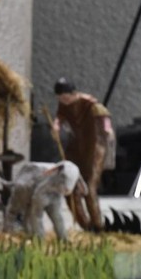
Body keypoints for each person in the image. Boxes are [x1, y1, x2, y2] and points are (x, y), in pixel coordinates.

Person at [52, 77, 114, 232]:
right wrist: (56, 126)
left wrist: (107, 130)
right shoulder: (64, 105)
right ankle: (85, 226)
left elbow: (104, 116)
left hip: (94, 146)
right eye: (60, 98)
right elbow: (60, 117)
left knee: (89, 186)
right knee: (71, 187)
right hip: (77, 147)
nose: (64, 101)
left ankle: (98, 226)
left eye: (65, 97)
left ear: (73, 93)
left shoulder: (89, 103)